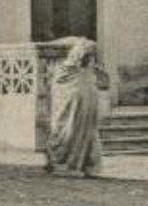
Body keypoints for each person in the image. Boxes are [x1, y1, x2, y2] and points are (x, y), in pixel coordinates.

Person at [44, 37, 109, 178]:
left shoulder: (90, 71)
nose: (89, 58)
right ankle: (65, 164)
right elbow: (59, 88)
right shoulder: (66, 70)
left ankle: (88, 166)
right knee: (67, 135)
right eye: (87, 54)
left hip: (86, 112)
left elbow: (102, 84)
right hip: (70, 114)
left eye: (91, 55)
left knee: (89, 137)